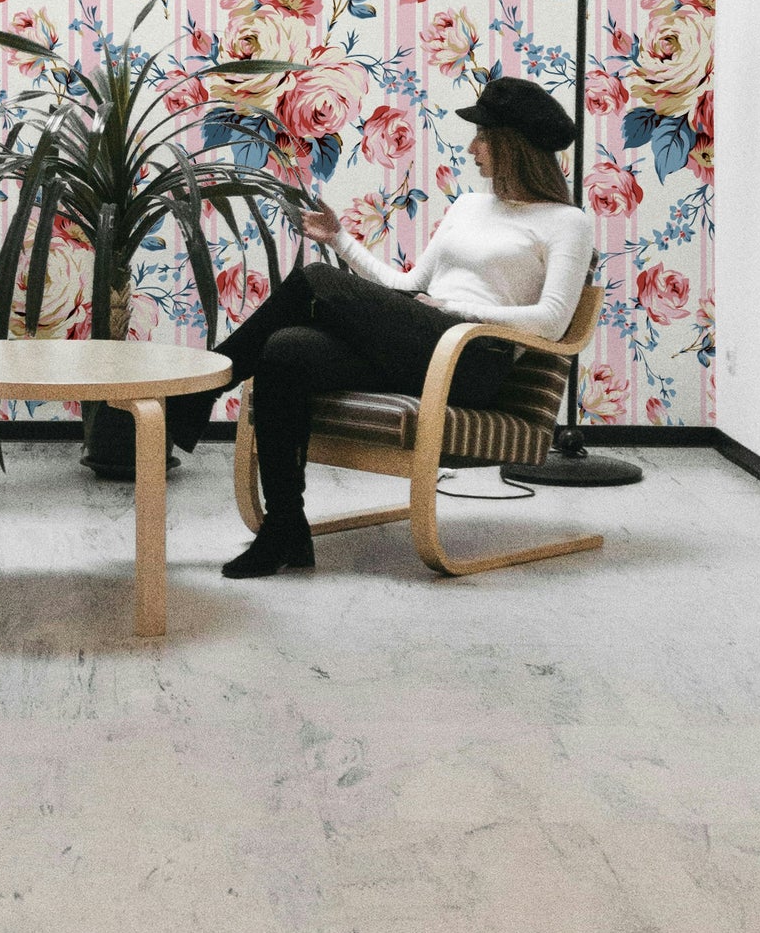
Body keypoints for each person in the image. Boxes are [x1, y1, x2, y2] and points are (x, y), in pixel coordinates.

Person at [172, 75, 594, 578]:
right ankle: (285, 528)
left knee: (314, 280)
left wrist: (458, 312)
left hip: (472, 360)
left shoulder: (567, 222)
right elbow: (408, 284)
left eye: (483, 136)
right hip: (422, 344)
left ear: (512, 144)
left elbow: (553, 321)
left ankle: (202, 388)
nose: (472, 147)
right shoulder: (468, 206)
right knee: (285, 349)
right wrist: (340, 240)